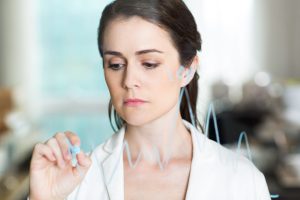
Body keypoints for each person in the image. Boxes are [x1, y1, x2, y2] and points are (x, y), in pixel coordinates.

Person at [29, 0, 272, 199]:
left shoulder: (242, 181)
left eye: (149, 64)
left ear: (186, 70)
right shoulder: (75, 183)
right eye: (115, 64)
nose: (129, 80)